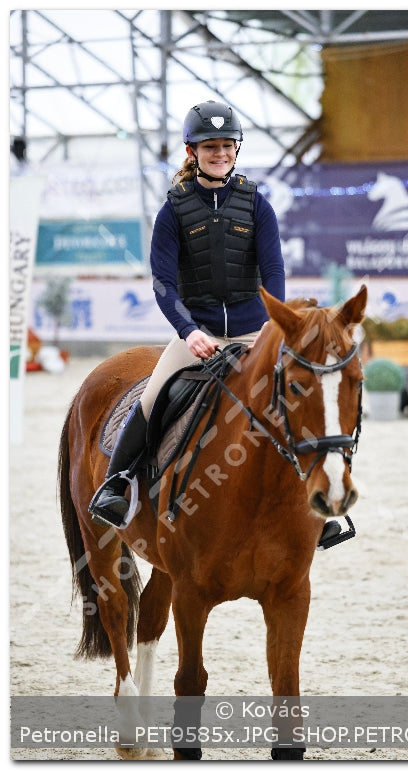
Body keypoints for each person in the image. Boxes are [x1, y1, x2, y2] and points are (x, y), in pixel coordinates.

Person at [89, 99, 285, 528]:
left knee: (296, 397)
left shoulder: (257, 204)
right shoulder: (173, 211)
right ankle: (116, 484)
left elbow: (272, 271)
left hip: (254, 332)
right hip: (197, 334)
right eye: (210, 146)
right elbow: (163, 283)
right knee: (152, 396)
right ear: (191, 152)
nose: (220, 153)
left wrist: (273, 326)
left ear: (237, 149)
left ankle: (316, 501)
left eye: (227, 145)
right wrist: (189, 331)